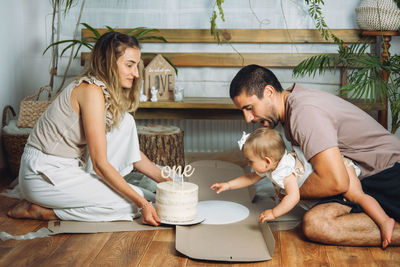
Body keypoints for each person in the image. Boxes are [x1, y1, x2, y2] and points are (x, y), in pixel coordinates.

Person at [6, 32, 170, 226]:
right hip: (44, 174)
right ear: (108, 62)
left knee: (152, 196)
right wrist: (142, 205)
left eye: (136, 65)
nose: (136, 73)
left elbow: (132, 153)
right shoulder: (90, 91)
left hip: (67, 169)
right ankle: (41, 211)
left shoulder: (103, 93)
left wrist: (166, 182)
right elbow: (100, 164)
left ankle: (58, 201)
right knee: (133, 205)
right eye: (129, 65)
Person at [229, 64, 400, 247]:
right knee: (316, 221)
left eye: (250, 108)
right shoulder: (293, 106)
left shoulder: (304, 112)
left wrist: (290, 193)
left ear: (269, 92)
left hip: (388, 174)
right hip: (362, 177)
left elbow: (336, 182)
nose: (248, 118)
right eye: (243, 111)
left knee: (316, 224)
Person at [211, 128, 395, 248]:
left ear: (267, 161)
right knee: (348, 198)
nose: (249, 164)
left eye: (250, 161)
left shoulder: (285, 172)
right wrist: (227, 184)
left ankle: (385, 221)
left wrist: (274, 213)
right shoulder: (270, 166)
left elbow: (293, 197)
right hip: (327, 175)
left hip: (340, 166)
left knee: (357, 196)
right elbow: (250, 177)